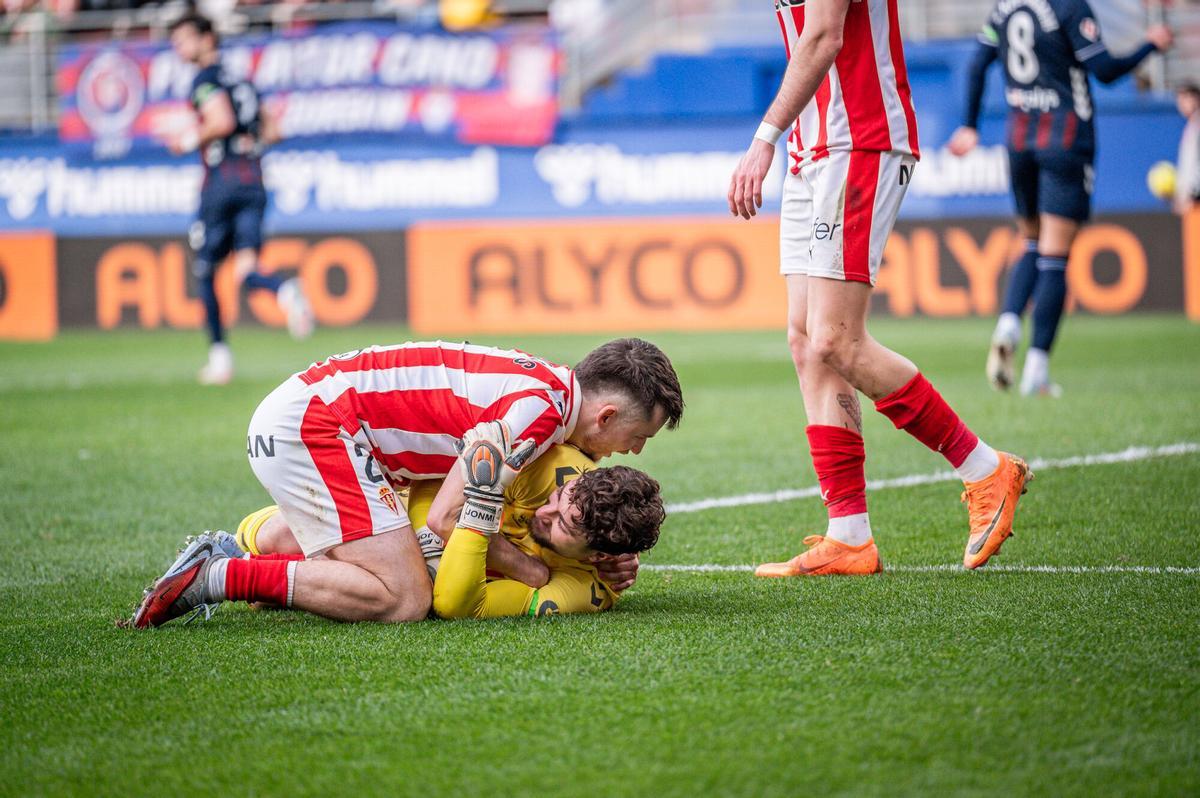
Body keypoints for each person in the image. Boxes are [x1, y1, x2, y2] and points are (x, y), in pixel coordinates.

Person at [727, 0, 1031, 576]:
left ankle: (985, 469)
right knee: (805, 341)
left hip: (859, 141)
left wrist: (764, 137)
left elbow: (824, 36)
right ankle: (849, 536)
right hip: (812, 150)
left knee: (837, 340)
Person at [130, 338, 683, 627]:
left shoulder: (545, 390)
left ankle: (231, 552)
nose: (633, 451)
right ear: (607, 415)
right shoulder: (537, 413)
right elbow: (447, 520)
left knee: (376, 559)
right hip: (316, 425)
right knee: (404, 598)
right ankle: (219, 576)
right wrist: (531, 568)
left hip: (311, 415)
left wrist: (605, 554)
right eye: (641, 436)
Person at [948, 2, 1173, 396]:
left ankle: (1008, 322)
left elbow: (976, 64)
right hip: (1065, 138)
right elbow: (1104, 71)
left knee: (1032, 242)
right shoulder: (1069, 6)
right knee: (1054, 256)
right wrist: (1150, 45)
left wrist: (969, 125)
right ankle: (1037, 368)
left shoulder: (1005, 6)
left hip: (1019, 139)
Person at [233, 443, 649, 618]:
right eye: (560, 498)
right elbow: (451, 467)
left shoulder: (584, 590)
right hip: (418, 498)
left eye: (562, 524)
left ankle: (250, 574)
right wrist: (526, 567)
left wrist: (480, 515)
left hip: (435, 558)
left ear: (597, 555)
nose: (547, 511)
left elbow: (452, 604)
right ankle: (236, 550)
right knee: (273, 538)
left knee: (412, 590)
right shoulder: (552, 461)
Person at [167, 13, 314, 386]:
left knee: (205, 272)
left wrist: (185, 140)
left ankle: (220, 358)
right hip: (254, 178)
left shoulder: (206, 79)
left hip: (222, 182)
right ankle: (283, 290)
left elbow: (221, 121)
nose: (178, 48)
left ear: (207, 39)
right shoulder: (242, 78)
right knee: (246, 270)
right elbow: (274, 131)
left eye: (184, 39)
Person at [1172, 83, 1200, 217]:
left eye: (1185, 98)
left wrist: (1193, 193)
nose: (1181, 104)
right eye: (1179, 100)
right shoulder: (1192, 125)